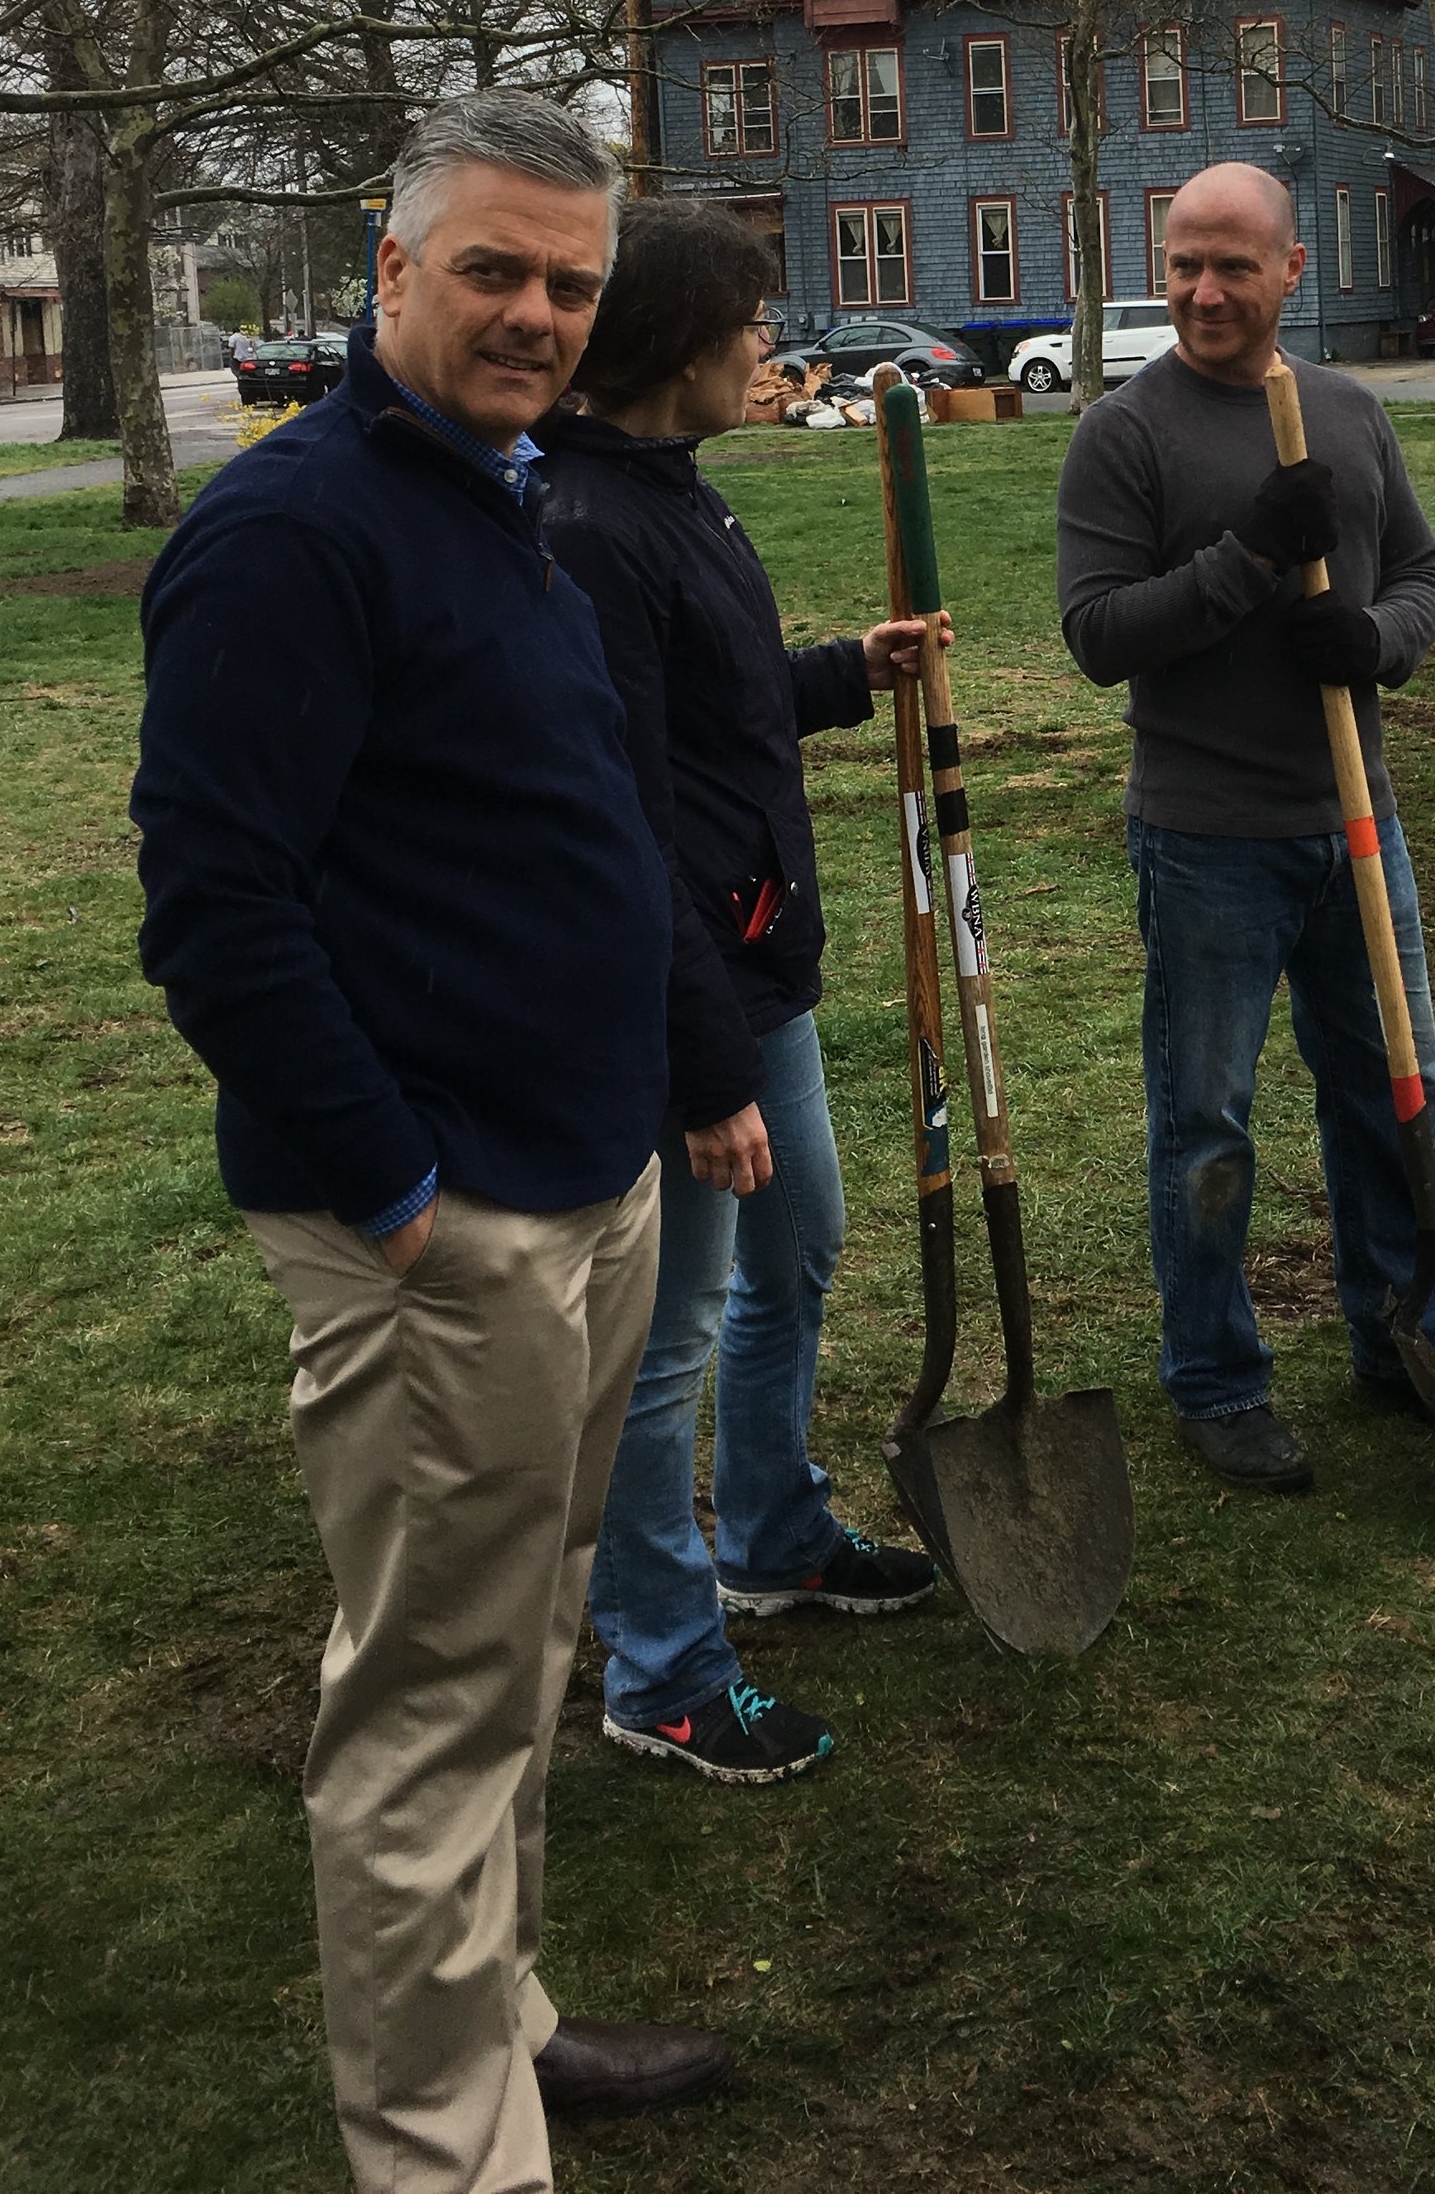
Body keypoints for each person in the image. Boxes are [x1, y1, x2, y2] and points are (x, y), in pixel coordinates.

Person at [134, 95, 732, 2193]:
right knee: (424, 1711)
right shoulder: (291, 533)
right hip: (438, 1221)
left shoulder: (506, 499)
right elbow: (214, 910)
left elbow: (563, 823)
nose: (536, 313)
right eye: (492, 267)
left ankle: (499, 2024)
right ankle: (438, 2152)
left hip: (582, 1180)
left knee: (528, 1645)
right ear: (389, 270)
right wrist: (397, 1192)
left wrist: (661, 1089)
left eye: (568, 281)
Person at [1053, 159, 1435, 1495]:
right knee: (1206, 1121)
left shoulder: (1348, 413)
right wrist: (1249, 562)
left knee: (1396, 1094)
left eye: (1231, 264)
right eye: (1183, 263)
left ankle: (1408, 1344)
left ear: (1291, 272)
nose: (1203, 290)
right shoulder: (1126, 431)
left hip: (1356, 827)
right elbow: (1098, 635)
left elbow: (1428, 571)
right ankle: (1214, 1377)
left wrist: (1374, 638)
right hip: (1208, 836)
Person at [536, 201, 938, 1788]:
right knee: (667, 1335)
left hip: (755, 958)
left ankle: (775, 1527)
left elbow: (723, 709)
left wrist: (855, 666)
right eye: (755, 326)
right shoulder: (585, 527)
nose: (773, 351)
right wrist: (702, 1071)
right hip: (680, 999)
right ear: (678, 342)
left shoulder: (672, 497)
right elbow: (631, 812)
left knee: (803, 1242)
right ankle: (663, 1659)